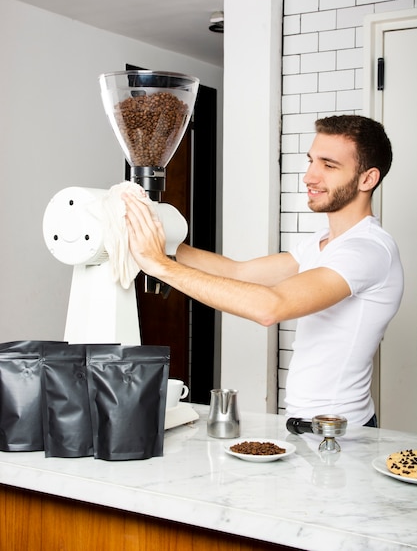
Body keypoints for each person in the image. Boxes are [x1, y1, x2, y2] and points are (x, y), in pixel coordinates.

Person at [122, 115, 404, 426]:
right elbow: (239, 272)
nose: (310, 176)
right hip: (306, 423)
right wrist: (164, 243)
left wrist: (158, 265)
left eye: (329, 165)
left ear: (368, 179)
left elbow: (271, 307)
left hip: (342, 432)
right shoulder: (323, 244)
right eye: (311, 161)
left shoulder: (367, 250)